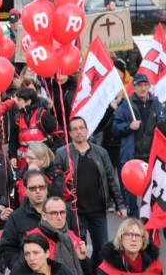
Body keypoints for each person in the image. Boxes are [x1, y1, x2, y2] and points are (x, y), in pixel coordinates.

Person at [55, 116, 127, 271]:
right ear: (70, 133)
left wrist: (120, 204)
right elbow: (56, 183)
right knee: (77, 250)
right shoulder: (62, 154)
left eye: (81, 128)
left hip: (98, 211)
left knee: (102, 249)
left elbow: (111, 179)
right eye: (74, 129)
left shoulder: (100, 152)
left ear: (87, 130)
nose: (78, 132)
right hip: (75, 212)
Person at [0, 169, 81, 270]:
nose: (38, 191)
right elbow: (7, 248)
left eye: (41, 187)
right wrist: (21, 267)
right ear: (25, 190)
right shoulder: (16, 217)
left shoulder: (63, 210)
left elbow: (78, 238)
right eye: (33, 188)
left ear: (47, 187)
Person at [113, 73, 165, 217]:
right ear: (134, 88)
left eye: (145, 85)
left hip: (153, 155)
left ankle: (152, 217)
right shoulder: (126, 105)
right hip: (133, 156)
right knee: (131, 191)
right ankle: (134, 219)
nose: (142, 88)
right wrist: (128, 126)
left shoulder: (157, 103)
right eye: (139, 86)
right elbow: (115, 127)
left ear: (149, 86)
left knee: (154, 189)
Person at [27, 197, 91, 275]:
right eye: (54, 213)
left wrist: (82, 260)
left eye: (62, 212)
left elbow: (87, 272)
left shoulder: (72, 236)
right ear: (44, 215)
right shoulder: (32, 239)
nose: (59, 217)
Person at [10, 87, 58, 170]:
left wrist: (50, 153)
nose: (17, 102)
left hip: (42, 164)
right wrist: (12, 156)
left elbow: (58, 136)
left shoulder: (44, 116)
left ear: (28, 101)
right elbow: (13, 140)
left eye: (19, 100)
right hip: (22, 164)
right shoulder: (17, 118)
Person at [97, 218, 162, 274]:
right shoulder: (107, 267)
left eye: (138, 235)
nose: (134, 239)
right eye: (129, 234)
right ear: (121, 239)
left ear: (143, 240)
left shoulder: (153, 264)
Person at [10, 233, 74, 275]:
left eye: (36, 253)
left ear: (47, 253)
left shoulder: (61, 270)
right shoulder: (18, 272)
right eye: (27, 254)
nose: (31, 258)